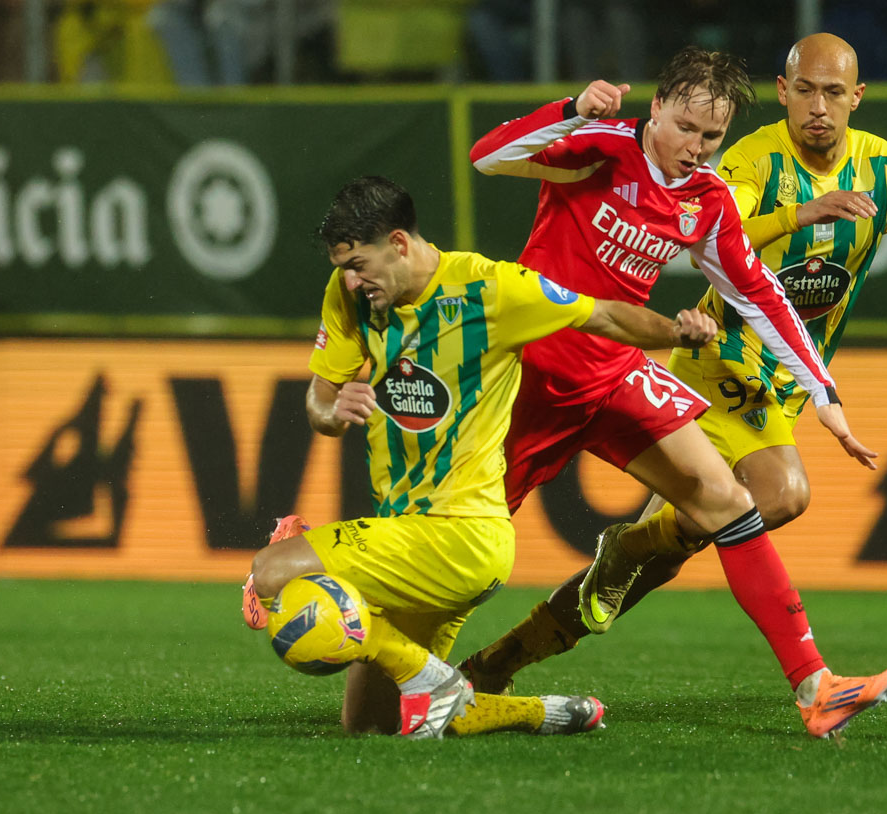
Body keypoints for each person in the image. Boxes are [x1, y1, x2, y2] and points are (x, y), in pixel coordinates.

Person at [464, 46, 887, 738]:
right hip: (531, 380)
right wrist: (570, 110)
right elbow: (488, 156)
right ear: (657, 108)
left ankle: (816, 686)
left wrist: (824, 393)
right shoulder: (602, 147)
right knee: (462, 555)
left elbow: (759, 293)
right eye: (685, 128)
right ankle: (367, 634)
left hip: (614, 375)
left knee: (728, 500)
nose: (696, 150)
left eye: (712, 138)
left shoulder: (705, 200)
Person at [241, 175, 718, 739]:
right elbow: (320, 400)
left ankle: (429, 677)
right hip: (406, 536)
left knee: (271, 574)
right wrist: (333, 406)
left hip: (462, 535)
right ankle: (531, 711)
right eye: (342, 265)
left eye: (359, 263)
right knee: (369, 726)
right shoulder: (349, 295)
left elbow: (604, 317)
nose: (350, 278)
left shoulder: (492, 290)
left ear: (399, 243)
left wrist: (676, 333)